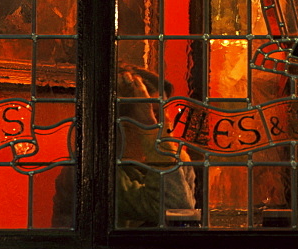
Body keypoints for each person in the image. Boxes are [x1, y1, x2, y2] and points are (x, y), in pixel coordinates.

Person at [53, 65, 195, 228]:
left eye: (166, 110)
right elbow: (173, 207)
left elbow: (184, 222)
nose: (166, 120)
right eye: (153, 112)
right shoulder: (91, 167)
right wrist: (150, 128)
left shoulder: (176, 156)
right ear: (122, 119)